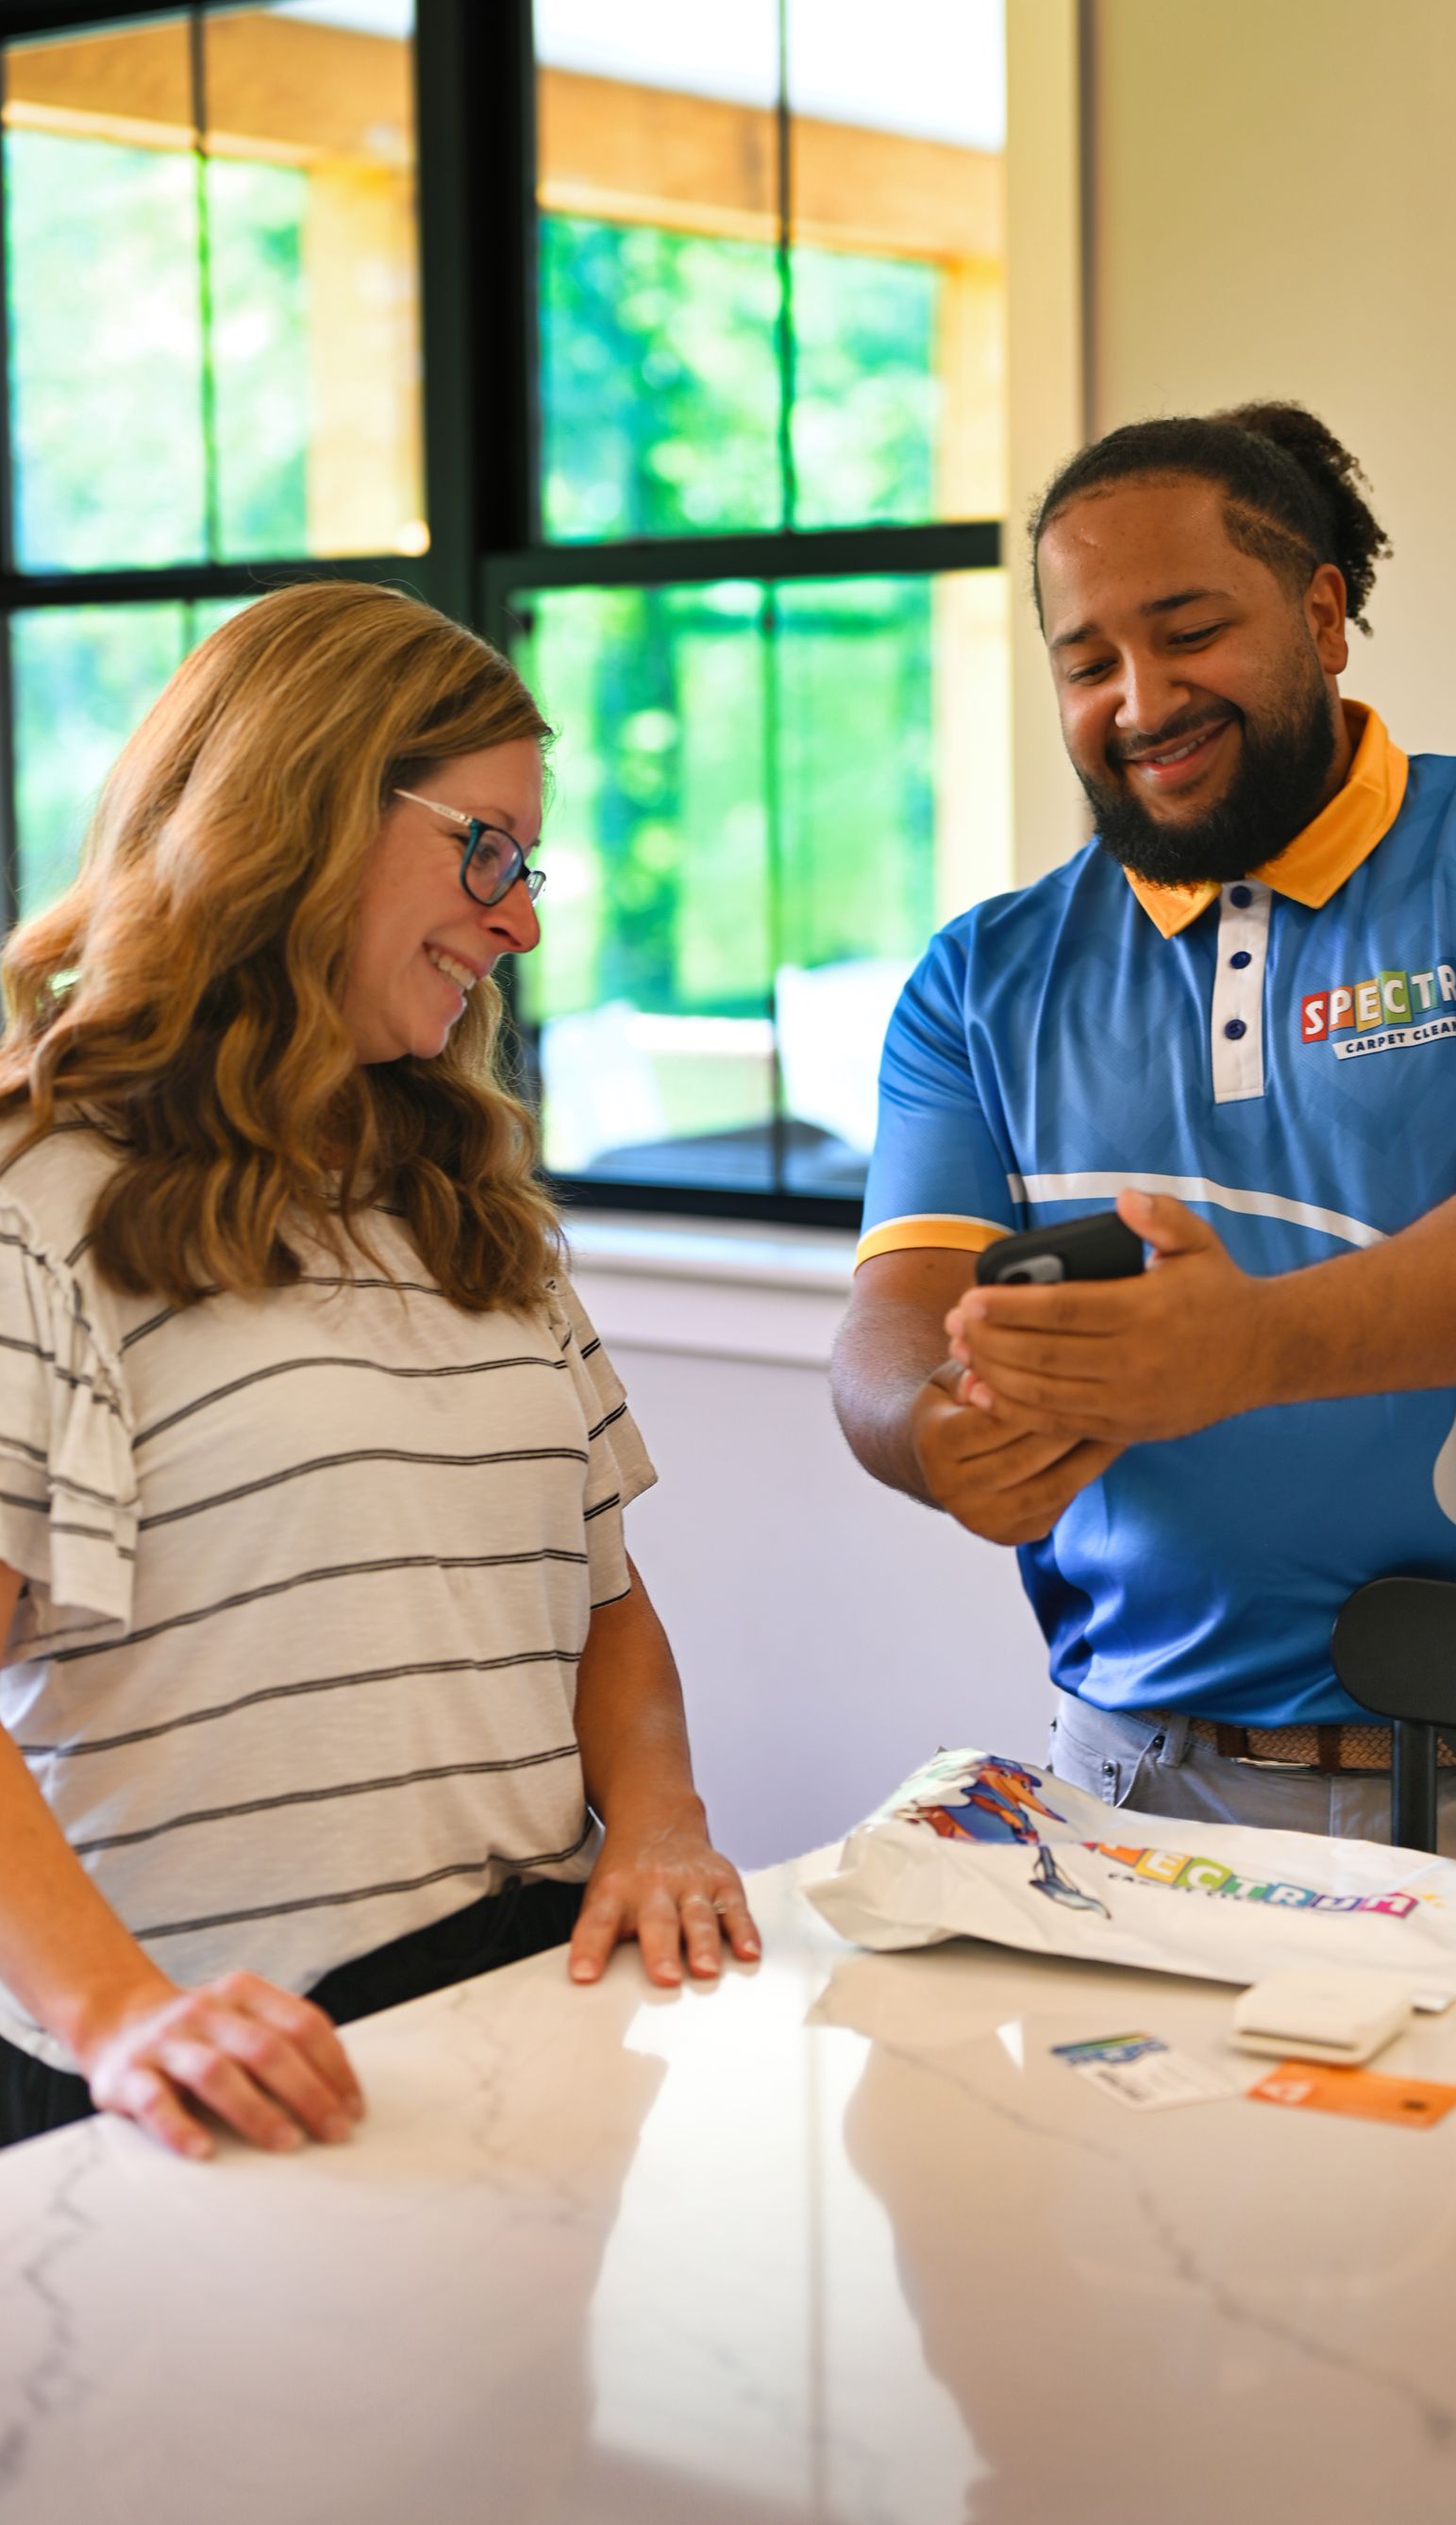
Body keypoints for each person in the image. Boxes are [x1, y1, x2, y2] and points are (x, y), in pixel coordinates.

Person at [831, 403, 1456, 1943]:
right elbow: (889, 1322)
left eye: (1189, 631)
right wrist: (928, 1437)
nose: (1140, 699)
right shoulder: (978, 979)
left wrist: (1247, 1347)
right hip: (1140, 1795)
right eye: (1086, 660)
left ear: (1322, 614)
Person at [0, 581, 759, 2159]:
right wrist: (123, 2016)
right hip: (203, 2081)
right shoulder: (44, 1199)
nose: (521, 917)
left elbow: (603, 1602)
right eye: (482, 845)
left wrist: (663, 1825)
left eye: (527, 863)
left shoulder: (477, 1207)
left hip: (522, 2020)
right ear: (302, 811)